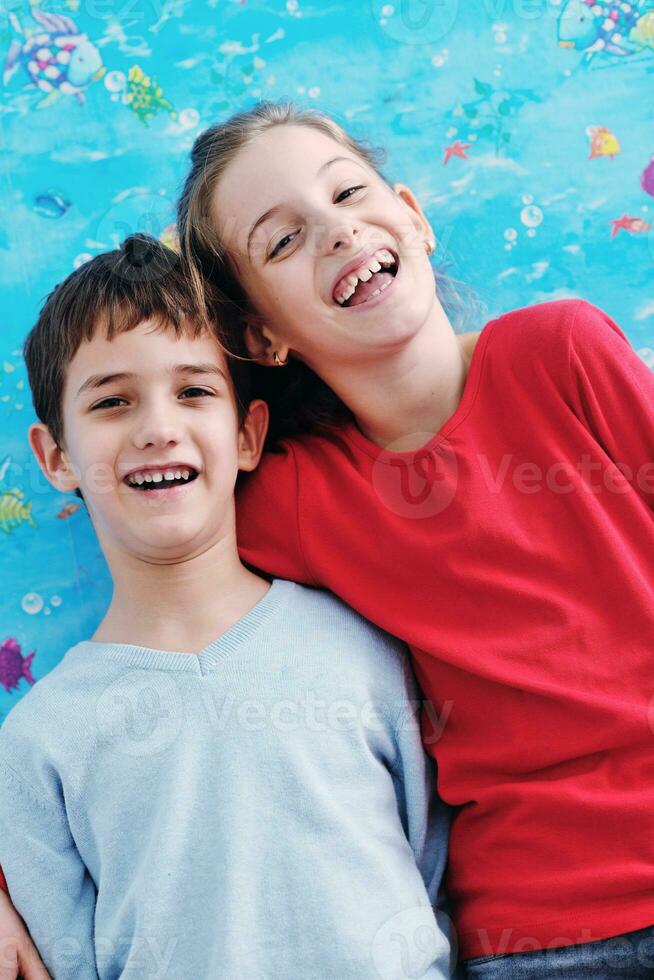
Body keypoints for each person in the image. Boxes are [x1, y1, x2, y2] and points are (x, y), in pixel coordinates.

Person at [171, 102, 654, 977]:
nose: (336, 231)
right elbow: (157, 634)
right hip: (548, 935)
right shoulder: (292, 499)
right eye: (282, 242)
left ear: (414, 217)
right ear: (259, 335)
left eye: (348, 192)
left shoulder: (563, 350)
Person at [0, 235, 458, 979]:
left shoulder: (363, 645)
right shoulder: (40, 741)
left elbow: (435, 879)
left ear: (248, 435)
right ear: (55, 457)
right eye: (113, 402)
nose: (156, 428)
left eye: (194, 392)